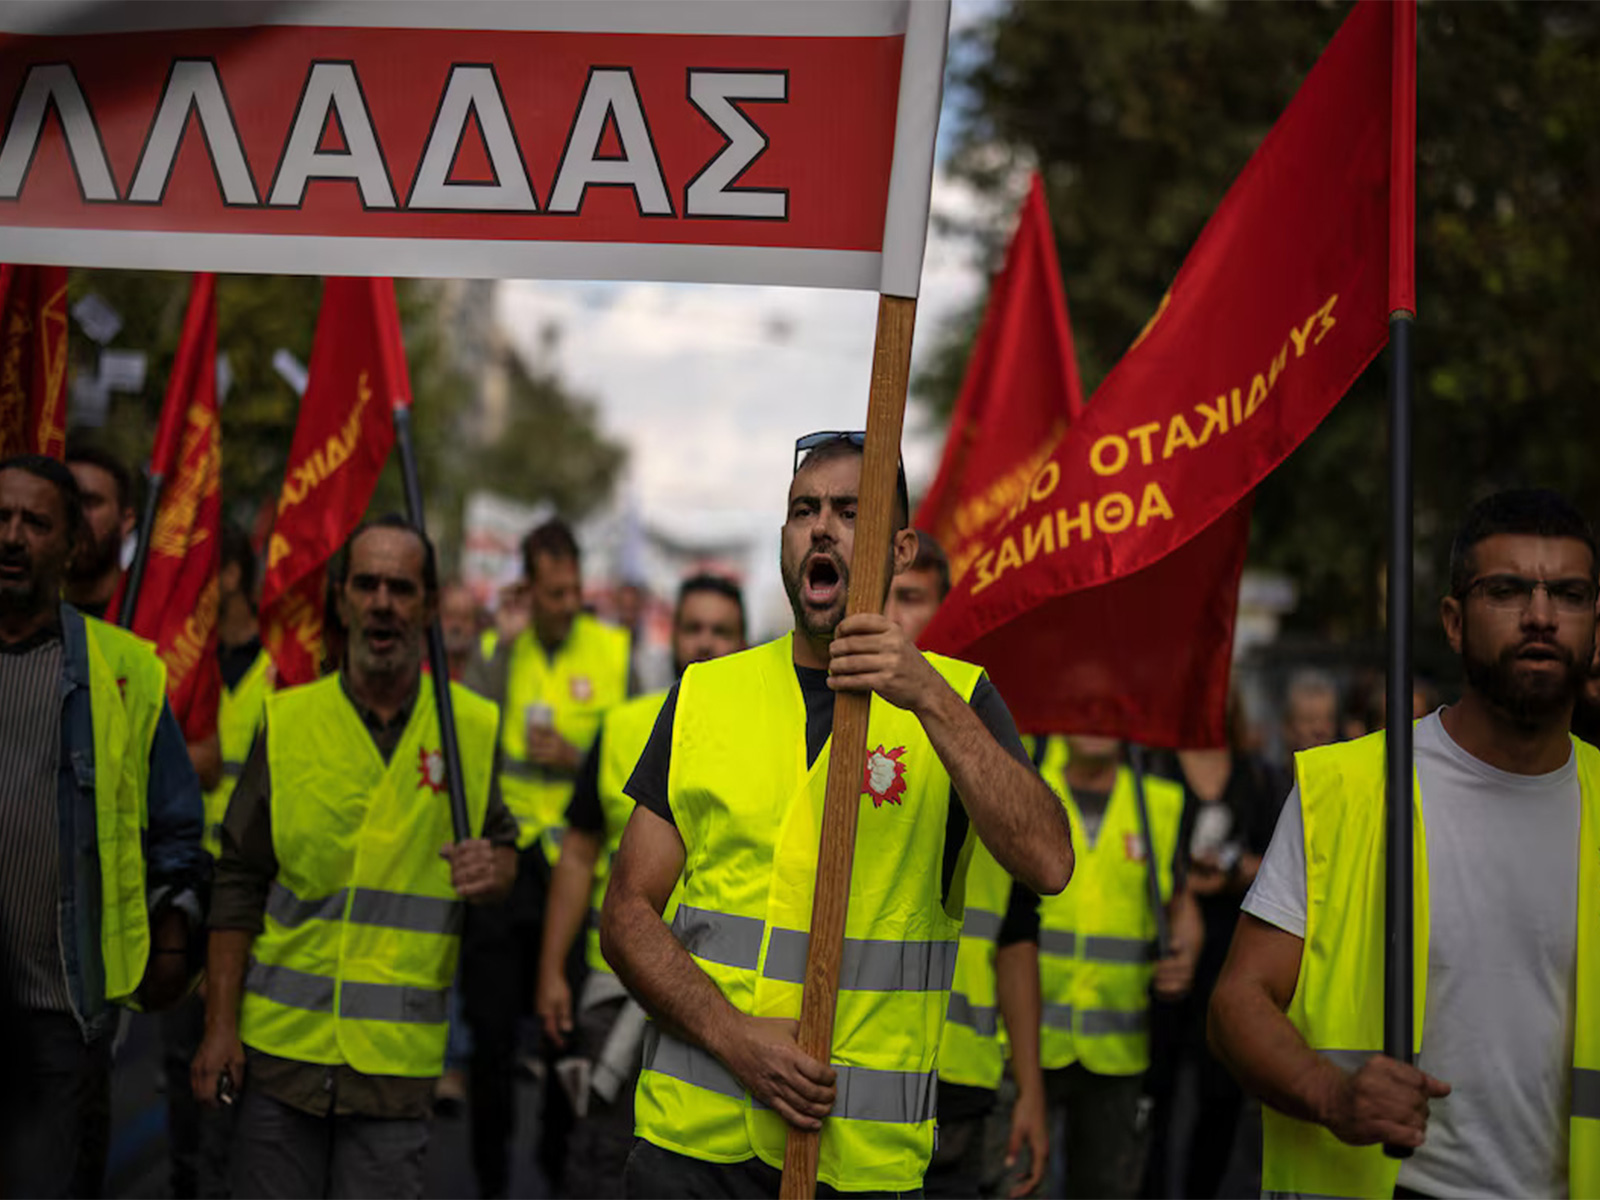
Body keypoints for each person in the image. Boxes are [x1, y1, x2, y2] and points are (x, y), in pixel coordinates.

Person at [602, 431, 1073, 1197]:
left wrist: (925, 696)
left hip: (861, 1169)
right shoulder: (705, 695)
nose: (820, 527)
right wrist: (732, 1036)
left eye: (850, 511)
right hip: (691, 1153)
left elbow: (1049, 861)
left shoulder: (958, 697)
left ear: (900, 548)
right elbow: (625, 914)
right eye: (803, 510)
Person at [1209, 488, 1600, 1198]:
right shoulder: (1349, 788)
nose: (1541, 616)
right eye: (1507, 590)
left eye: (1569, 594)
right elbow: (1238, 1002)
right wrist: (1332, 1096)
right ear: (1453, 621)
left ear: (1595, 626)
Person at [192, 516, 519, 1199]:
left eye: (402, 589)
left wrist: (498, 870)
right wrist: (219, 1027)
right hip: (277, 1063)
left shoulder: (471, 730)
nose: (382, 603)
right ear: (339, 600)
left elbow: (508, 857)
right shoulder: (287, 723)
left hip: (395, 1079)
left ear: (428, 607)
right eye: (366, 585)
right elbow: (238, 882)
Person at [0, 454, 207, 1198]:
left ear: (70, 547)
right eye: (2, 518)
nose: (13, 536)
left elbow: (180, 835)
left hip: (60, 1019)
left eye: (36, 522)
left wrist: (175, 935)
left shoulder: (124, 672)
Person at [537, 573, 748, 1197]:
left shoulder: (768, 742)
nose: (705, 643)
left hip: (723, 997)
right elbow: (577, 856)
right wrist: (552, 970)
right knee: (602, 1162)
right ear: (673, 636)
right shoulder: (623, 727)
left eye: (721, 630)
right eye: (693, 627)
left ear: (744, 643)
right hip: (616, 992)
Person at [461, 517, 631, 1197]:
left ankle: (557, 1168)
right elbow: (469, 731)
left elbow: (634, 756)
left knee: (565, 1034)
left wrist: (575, 758)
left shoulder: (614, 654)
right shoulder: (504, 651)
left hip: (572, 867)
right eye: (552, 593)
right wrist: (497, 648)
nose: (566, 605)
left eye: (572, 591)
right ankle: (490, 1179)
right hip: (510, 867)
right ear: (527, 589)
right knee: (491, 1040)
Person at [887, 533, 1047, 1200]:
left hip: (961, 1081)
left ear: (947, 609)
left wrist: (1031, 1088)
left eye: (914, 599)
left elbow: (1015, 932)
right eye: (886, 598)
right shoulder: (837, 719)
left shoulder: (996, 741)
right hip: (855, 1073)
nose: (897, 616)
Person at [1030, 733, 1200, 1199]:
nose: (1096, 724)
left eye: (1110, 710)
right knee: (1022, 1186)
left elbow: (1182, 900)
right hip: (1027, 1042)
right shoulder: (1024, 783)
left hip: (1119, 1048)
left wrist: (1185, 952)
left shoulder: (1160, 804)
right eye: (1087, 705)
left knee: (1105, 1188)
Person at [1138, 693, 1280, 1200]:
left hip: (1233, 944)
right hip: (1169, 943)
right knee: (1157, 1085)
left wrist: (1241, 871)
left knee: (1222, 1089)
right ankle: (1150, 1189)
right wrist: (1186, 885)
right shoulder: (1154, 767)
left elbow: (1277, 861)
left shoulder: (1257, 776)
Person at [65, 440, 223, 789]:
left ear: (127, 520)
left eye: (91, 503)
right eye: (66, 503)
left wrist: (125, 754)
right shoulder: (23, 618)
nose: (77, 516)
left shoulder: (167, 625)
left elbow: (208, 762)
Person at [440, 579, 481, 681]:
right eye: (450, 615)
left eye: (465, 617)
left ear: (475, 625)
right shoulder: (420, 672)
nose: (456, 625)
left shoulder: (485, 674)